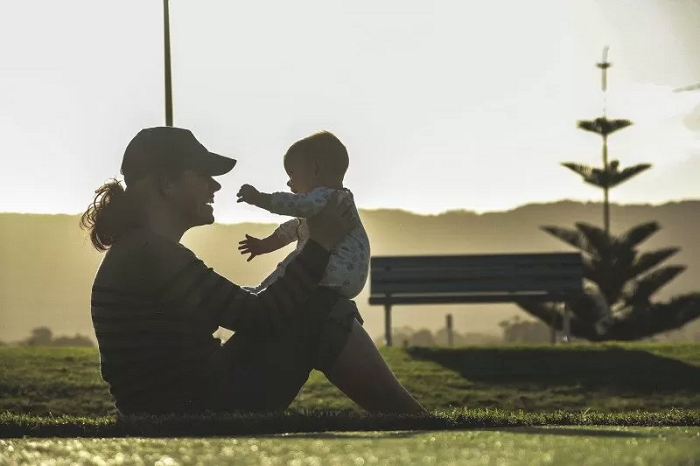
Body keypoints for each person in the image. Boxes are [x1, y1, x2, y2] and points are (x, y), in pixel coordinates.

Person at [81, 126, 425, 415]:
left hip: (181, 402)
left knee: (319, 305)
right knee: (323, 308)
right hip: (195, 407)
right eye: (203, 176)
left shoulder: (141, 251)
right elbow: (260, 315)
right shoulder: (150, 255)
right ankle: (414, 421)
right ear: (166, 183)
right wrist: (320, 243)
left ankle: (412, 419)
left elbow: (243, 309)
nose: (214, 187)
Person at [236, 131, 369, 300]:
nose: (289, 182)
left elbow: (295, 205)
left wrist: (259, 198)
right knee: (299, 261)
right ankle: (262, 291)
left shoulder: (327, 196)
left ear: (315, 169)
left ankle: (262, 292)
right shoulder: (338, 202)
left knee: (294, 264)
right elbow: (294, 229)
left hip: (334, 268)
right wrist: (263, 246)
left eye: (292, 173)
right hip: (351, 279)